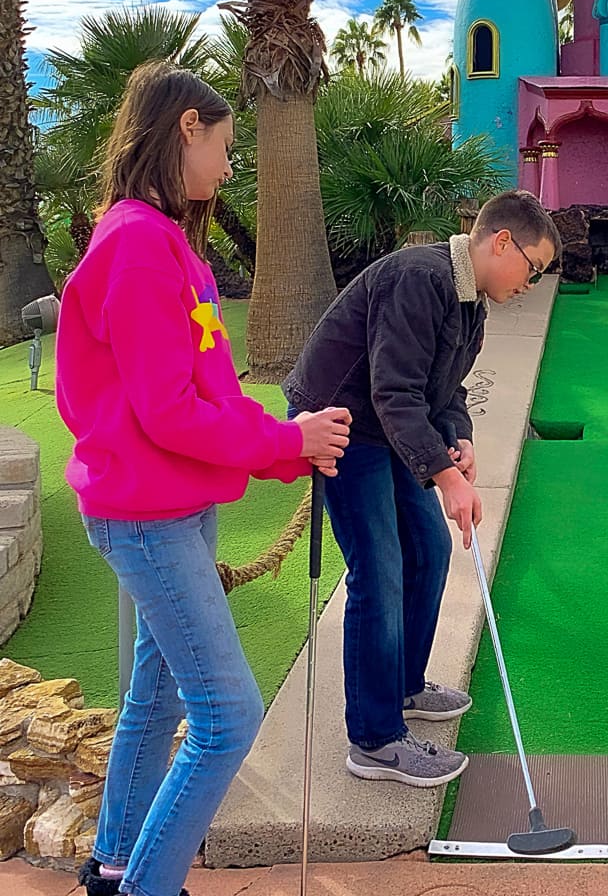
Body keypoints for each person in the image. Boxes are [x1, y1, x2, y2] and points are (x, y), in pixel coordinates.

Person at [56, 62, 352, 896]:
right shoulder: (141, 247)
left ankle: (115, 866)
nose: (228, 168)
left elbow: (203, 394)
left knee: (154, 696)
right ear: (186, 128)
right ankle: (147, 886)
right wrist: (285, 440)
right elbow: (169, 414)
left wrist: (289, 442)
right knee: (227, 719)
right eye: (223, 146)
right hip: (147, 513)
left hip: (174, 506)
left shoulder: (161, 240)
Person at [283, 189, 561, 787]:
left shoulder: (472, 302)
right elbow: (393, 391)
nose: (531, 283)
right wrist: (444, 477)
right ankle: (375, 740)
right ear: (502, 242)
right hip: (341, 425)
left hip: (388, 425)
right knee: (379, 569)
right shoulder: (419, 277)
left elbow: (444, 392)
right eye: (533, 268)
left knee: (429, 550)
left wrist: (458, 442)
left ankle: (404, 686)